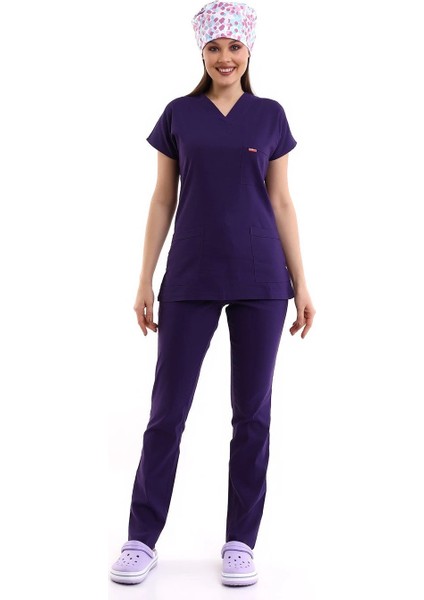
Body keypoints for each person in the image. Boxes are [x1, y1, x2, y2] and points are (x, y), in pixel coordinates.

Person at [110, 0, 316, 587]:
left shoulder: (270, 116)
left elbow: (281, 201)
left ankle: (240, 542)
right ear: (201, 53)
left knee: (252, 415)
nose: (225, 57)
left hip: (261, 279)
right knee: (166, 411)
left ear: (249, 50)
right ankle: (141, 539)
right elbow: (162, 199)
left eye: (234, 47)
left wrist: (302, 281)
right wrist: (144, 278)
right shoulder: (179, 114)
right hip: (191, 276)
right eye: (213, 48)